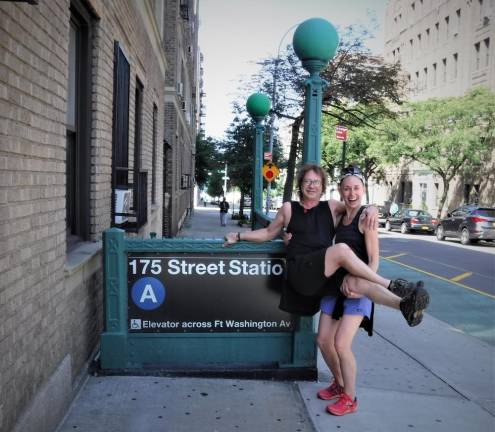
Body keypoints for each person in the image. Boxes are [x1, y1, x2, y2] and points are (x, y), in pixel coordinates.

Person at [224, 163, 429, 328]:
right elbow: (268, 233)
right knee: (341, 251)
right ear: (300, 184)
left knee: (356, 282)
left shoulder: (331, 207)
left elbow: (354, 204)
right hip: (301, 272)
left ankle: (403, 305)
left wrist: (373, 208)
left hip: (324, 273)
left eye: (316, 182)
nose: (312, 186)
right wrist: (240, 235)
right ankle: (392, 285)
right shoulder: (289, 208)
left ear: (322, 186)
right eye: (307, 181)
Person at [315, 166, 379, 416]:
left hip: (357, 289)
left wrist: (358, 279)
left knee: (341, 345)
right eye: (347, 188)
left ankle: (350, 398)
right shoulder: (341, 216)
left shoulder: (367, 218)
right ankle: (339, 383)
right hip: (334, 287)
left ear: (363, 190)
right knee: (323, 340)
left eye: (356, 188)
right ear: (341, 191)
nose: (352, 193)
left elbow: (374, 262)